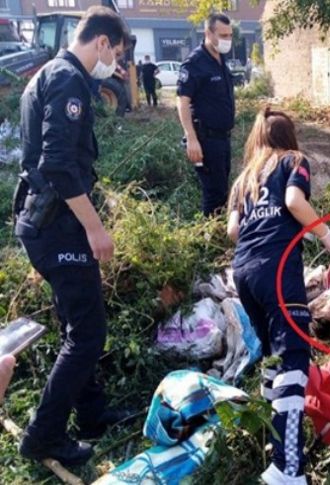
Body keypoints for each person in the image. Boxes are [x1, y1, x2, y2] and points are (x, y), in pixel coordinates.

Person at [12, 6, 134, 466]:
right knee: (87, 333)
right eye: (116, 53)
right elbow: (58, 165)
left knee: (77, 324)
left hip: (45, 223)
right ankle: (43, 435)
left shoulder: (51, 73)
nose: (115, 64)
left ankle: (92, 412)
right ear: (100, 42)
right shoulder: (66, 80)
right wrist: (95, 227)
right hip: (58, 226)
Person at [226, 107, 330, 485]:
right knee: (293, 356)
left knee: (273, 353)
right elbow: (294, 201)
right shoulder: (294, 160)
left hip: (243, 271)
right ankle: (287, 467)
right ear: (289, 136)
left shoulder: (244, 177)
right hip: (276, 271)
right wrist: (325, 235)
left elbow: (233, 230)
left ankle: (265, 432)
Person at [177, 13, 236, 217]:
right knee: (214, 193)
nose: (227, 40)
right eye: (223, 35)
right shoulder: (195, 63)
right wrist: (191, 138)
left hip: (222, 138)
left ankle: (217, 232)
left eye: (230, 35)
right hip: (205, 139)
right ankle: (209, 239)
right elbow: (182, 102)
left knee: (222, 189)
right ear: (208, 33)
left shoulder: (220, 58)